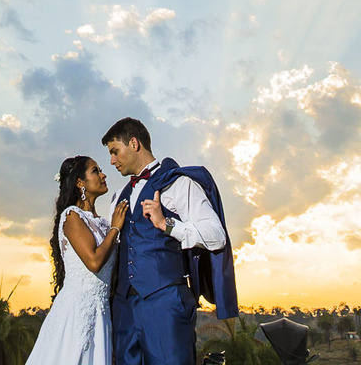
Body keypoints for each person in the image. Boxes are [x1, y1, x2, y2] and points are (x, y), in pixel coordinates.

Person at [102, 117, 238, 365]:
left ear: (134, 143)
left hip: (166, 305)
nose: (111, 161)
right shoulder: (117, 197)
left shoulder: (177, 184)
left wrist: (168, 225)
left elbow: (216, 236)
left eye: (115, 151)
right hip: (123, 309)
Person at [25, 155, 130, 365]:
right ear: (80, 183)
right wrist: (116, 228)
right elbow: (94, 262)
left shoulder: (101, 223)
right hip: (76, 314)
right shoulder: (72, 216)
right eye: (95, 171)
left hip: (101, 314)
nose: (103, 174)